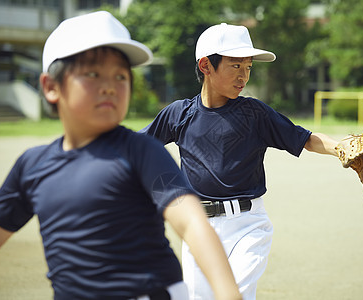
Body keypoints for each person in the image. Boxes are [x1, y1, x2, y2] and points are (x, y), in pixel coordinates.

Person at [0, 12, 242, 300]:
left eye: (120, 76)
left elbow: (191, 222)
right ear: (51, 87)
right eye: (93, 74)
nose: (109, 85)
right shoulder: (32, 166)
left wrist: (227, 292)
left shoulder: (141, 151)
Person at [139, 23, 341, 299]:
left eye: (248, 67)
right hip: (199, 227)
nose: (243, 76)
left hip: (248, 225)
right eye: (235, 66)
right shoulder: (179, 114)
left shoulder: (254, 113)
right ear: (206, 65)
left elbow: (304, 138)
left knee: (236, 295)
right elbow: (136, 147)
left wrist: (342, 149)